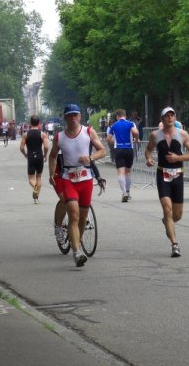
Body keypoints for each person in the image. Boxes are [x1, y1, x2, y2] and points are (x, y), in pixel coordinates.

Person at [48, 104, 106, 267]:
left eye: (76, 115)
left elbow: (102, 150)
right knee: (73, 214)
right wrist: (52, 173)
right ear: (65, 118)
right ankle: (76, 251)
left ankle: (77, 241)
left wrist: (90, 157)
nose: (73, 118)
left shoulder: (88, 132)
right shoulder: (59, 137)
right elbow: (52, 156)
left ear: (80, 117)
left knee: (82, 218)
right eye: (70, 115)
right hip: (68, 178)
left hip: (86, 178)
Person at [145, 106, 189, 257]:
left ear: (175, 118)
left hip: (178, 175)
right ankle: (175, 245)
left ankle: (167, 222)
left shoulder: (183, 134)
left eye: (172, 115)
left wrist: (178, 158)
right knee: (167, 209)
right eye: (167, 115)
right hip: (163, 175)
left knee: (177, 215)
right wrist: (148, 159)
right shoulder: (155, 135)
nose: (170, 117)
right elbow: (148, 150)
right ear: (162, 119)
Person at [106, 109, 139, 202]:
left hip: (119, 149)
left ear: (117, 116)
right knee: (128, 172)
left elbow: (108, 139)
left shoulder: (114, 125)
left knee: (120, 172)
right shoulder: (131, 124)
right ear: (125, 115)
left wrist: (115, 142)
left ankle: (124, 192)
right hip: (129, 149)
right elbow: (135, 132)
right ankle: (128, 192)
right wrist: (136, 139)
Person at [20, 115, 49, 204]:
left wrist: (25, 154)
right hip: (40, 156)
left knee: (31, 179)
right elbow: (46, 146)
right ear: (39, 123)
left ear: (30, 123)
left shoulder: (26, 134)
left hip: (31, 157)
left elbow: (21, 148)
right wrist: (45, 155)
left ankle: (35, 189)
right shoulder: (42, 134)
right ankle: (36, 198)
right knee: (39, 177)